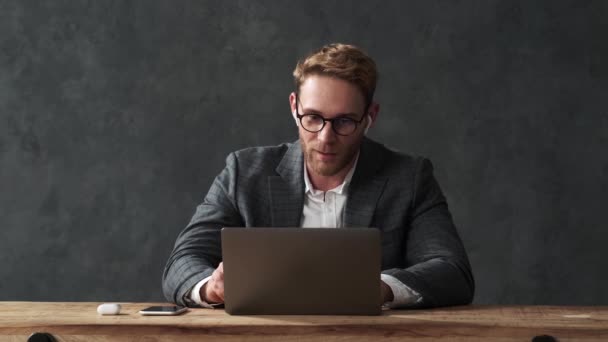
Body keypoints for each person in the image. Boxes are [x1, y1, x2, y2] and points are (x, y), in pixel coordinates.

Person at [163, 43, 474, 309]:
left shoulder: (409, 178)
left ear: (370, 117)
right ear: (294, 106)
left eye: (344, 122)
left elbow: (452, 271)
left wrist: (380, 288)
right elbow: (182, 261)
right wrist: (210, 288)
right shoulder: (244, 172)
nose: (326, 137)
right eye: (313, 118)